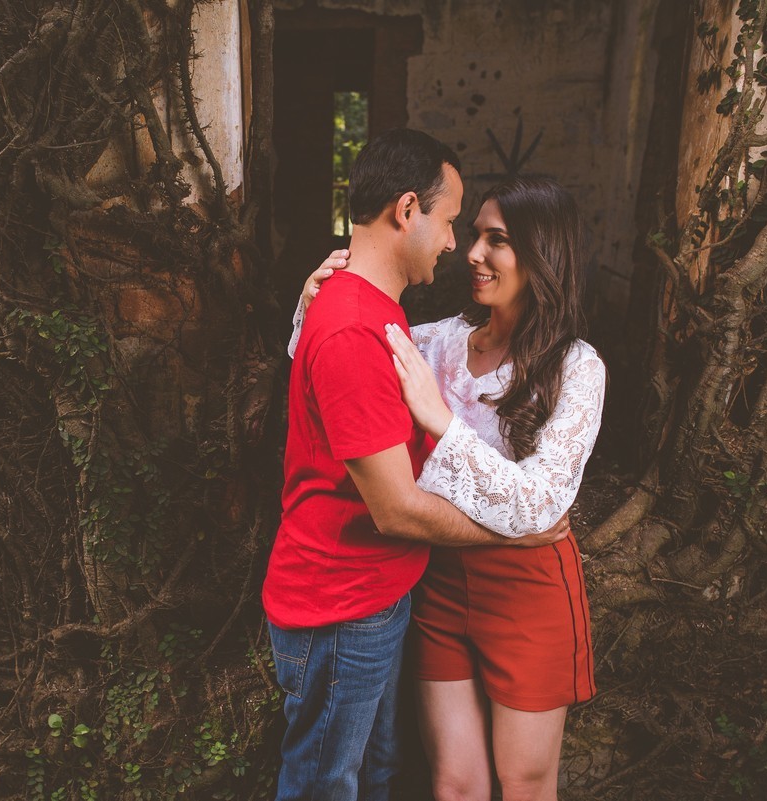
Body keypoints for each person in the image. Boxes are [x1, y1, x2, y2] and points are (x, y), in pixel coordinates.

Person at [262, 130, 569, 801]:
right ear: (407, 209)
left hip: (373, 598)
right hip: (340, 610)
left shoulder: (374, 310)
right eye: (450, 220)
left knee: (375, 777)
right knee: (324, 786)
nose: (454, 244)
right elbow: (395, 506)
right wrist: (512, 532)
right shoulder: (352, 324)